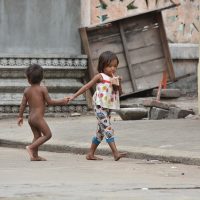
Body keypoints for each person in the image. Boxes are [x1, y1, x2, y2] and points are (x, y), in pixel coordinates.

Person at [67, 51, 127, 161]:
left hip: (107, 108)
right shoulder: (100, 77)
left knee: (100, 132)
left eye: (115, 66)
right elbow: (86, 87)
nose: (112, 69)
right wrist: (73, 96)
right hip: (100, 107)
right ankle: (115, 153)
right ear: (102, 66)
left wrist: (118, 83)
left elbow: (120, 92)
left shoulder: (114, 78)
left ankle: (90, 154)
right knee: (108, 129)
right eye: (109, 66)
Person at [17, 64, 69, 161]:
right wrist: (62, 101)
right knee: (48, 135)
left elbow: (22, 104)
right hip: (38, 118)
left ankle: (35, 156)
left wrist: (20, 116)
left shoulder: (26, 90)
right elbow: (50, 102)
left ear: (28, 79)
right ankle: (31, 147)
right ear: (42, 78)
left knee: (37, 136)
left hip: (30, 118)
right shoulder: (42, 89)